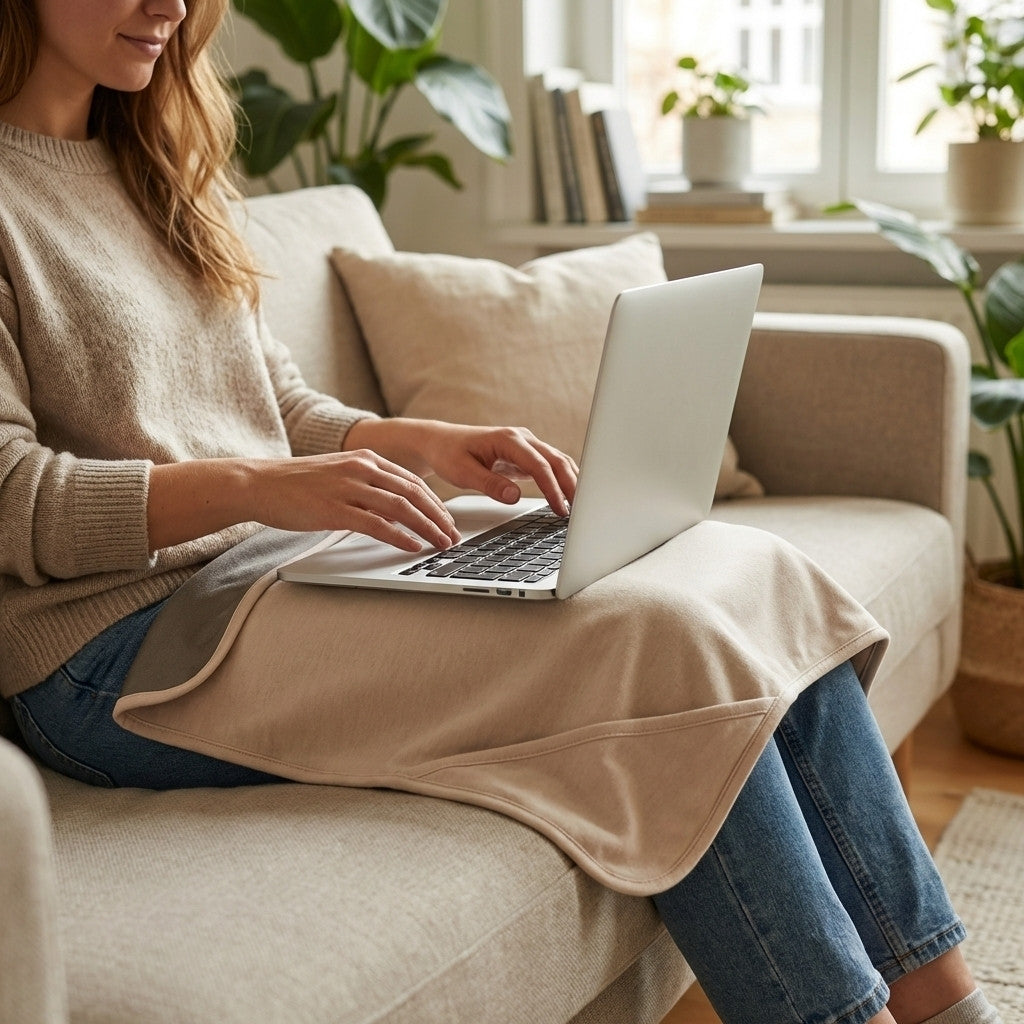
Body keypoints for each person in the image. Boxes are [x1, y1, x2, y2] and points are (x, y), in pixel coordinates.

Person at [0, 3, 1003, 1023]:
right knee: (650, 649)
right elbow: (11, 497)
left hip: (268, 571)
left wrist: (420, 441)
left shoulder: (162, 161)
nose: (168, 4)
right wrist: (258, 487)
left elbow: (272, 402)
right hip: (116, 650)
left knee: (746, 575)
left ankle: (948, 1001)